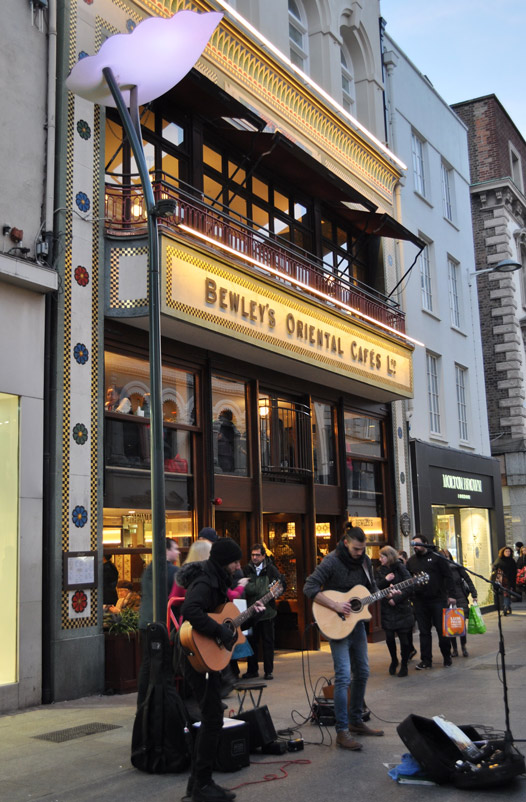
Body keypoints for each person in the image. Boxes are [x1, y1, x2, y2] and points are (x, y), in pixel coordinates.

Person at [179, 538, 265, 802]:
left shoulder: (217, 580)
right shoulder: (205, 582)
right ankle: (202, 785)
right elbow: (190, 610)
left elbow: (227, 622)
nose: (238, 566)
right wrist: (218, 631)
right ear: (223, 561)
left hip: (206, 656)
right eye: (234, 562)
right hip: (197, 655)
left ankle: (197, 784)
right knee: (213, 718)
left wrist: (252, 614)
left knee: (212, 716)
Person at [303, 524, 385, 750]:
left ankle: (356, 721)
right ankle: (342, 731)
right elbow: (309, 587)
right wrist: (335, 605)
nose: (360, 553)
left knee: (363, 672)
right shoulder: (331, 561)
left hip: (356, 624)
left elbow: (371, 589)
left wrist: (387, 593)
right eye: (356, 549)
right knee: (343, 676)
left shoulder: (365, 562)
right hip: (336, 624)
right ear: (346, 542)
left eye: (363, 549)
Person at [136, 537, 180, 706]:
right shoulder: (172, 571)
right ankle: (160, 702)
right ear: (166, 550)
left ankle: (143, 702)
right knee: (163, 663)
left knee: (147, 664)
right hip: (162, 623)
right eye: (175, 549)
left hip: (146, 622)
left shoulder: (149, 569)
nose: (178, 552)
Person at [406, 536, 456, 670]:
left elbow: (448, 576)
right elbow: (408, 579)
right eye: (413, 544)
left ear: (426, 544)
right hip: (420, 600)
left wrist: (451, 595)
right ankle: (426, 660)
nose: (415, 546)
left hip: (438, 599)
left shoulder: (437, 557)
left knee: (441, 630)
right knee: (424, 632)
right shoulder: (411, 561)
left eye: (417, 544)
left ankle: (447, 656)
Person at [242, 543, 283, 680]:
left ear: (264, 556)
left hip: (268, 613)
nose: (254, 557)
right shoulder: (246, 569)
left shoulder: (271, 569)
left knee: (268, 643)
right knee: (251, 642)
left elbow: (280, 586)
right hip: (251, 613)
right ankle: (252, 670)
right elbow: (244, 589)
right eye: (253, 555)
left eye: (257, 555)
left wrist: (272, 593)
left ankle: (268, 671)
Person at [376, 546, 415, 677]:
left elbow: (410, 586)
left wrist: (396, 599)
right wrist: (386, 580)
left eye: (382, 557)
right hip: (387, 609)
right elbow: (376, 588)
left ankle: (404, 664)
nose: (380, 559)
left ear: (389, 557)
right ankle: (394, 660)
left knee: (404, 639)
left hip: (402, 608)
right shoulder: (380, 570)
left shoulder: (400, 567)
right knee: (389, 637)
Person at [439, 550, 477, 657]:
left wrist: (474, 594)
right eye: (444, 556)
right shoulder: (439, 570)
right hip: (446, 599)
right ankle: (454, 649)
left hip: (460, 598)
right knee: (450, 624)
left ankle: (463, 647)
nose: (446, 558)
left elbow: (468, 580)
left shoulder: (456, 567)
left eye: (447, 556)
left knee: (461, 624)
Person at [491, 545, 517, 615]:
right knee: (501, 593)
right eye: (506, 551)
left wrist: (513, 581)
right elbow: (494, 569)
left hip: (508, 580)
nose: (508, 553)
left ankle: (506, 607)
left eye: (509, 551)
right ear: (503, 552)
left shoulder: (512, 561)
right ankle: (506, 606)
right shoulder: (499, 560)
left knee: (506, 594)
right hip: (499, 579)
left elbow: (514, 572)